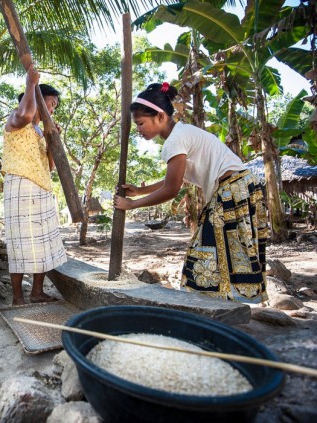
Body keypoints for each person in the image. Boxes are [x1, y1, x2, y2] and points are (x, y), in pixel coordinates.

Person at [113, 82, 269, 304]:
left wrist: (131, 205)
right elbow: (176, 178)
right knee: (226, 253)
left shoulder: (175, 140)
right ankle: (227, 303)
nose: (138, 130)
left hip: (232, 190)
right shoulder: (182, 133)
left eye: (140, 123)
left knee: (202, 256)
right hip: (244, 186)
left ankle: (210, 308)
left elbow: (170, 189)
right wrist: (139, 191)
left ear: (159, 116)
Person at [2, 66, 67, 305]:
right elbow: (25, 115)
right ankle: (17, 297)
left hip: (41, 187)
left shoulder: (40, 131)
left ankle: (37, 292)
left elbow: (49, 166)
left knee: (42, 241)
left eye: (54, 106)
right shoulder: (16, 119)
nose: (52, 108)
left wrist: (52, 139)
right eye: (50, 103)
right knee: (20, 242)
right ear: (36, 100)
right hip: (21, 186)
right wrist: (31, 84)